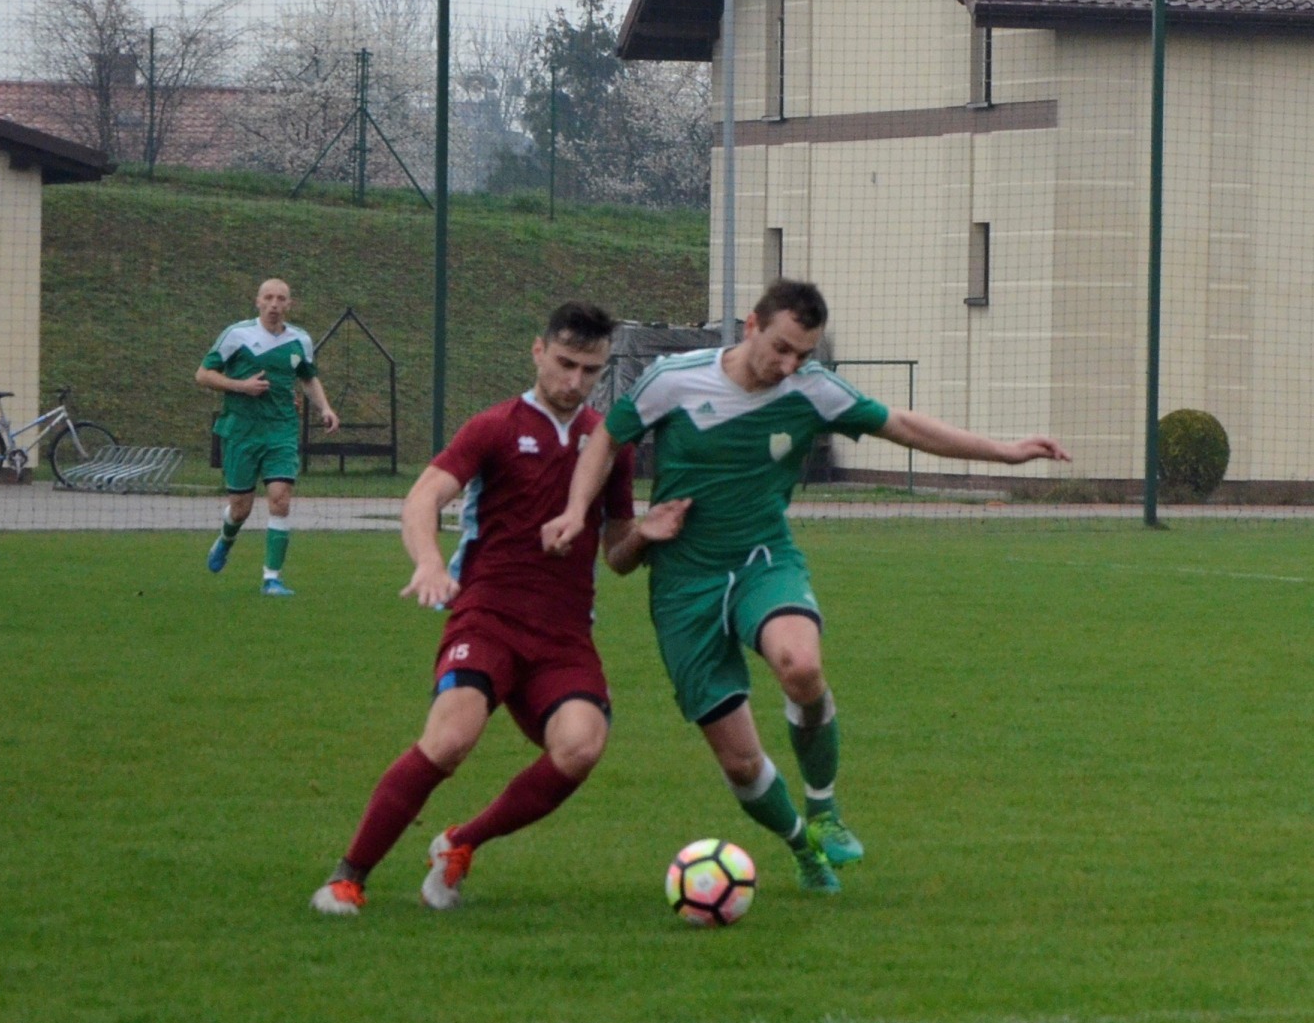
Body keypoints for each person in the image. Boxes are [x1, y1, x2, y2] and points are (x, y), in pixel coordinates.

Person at [543, 278, 1071, 894]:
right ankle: (802, 844)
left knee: (799, 665)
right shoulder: (673, 379)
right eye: (782, 348)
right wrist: (579, 511)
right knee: (740, 762)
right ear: (750, 327)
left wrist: (1006, 453)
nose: (790, 365)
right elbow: (608, 436)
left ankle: (824, 807)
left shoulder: (812, 390)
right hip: (683, 585)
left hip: (764, 559)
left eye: (804, 353)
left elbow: (900, 424)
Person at [311, 301, 690, 915]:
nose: (574, 381)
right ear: (538, 351)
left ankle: (460, 844)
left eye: (590, 370)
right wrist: (429, 564)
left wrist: (645, 534)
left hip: (564, 635)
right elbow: (423, 497)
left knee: (582, 746)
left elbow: (615, 555)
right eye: (565, 363)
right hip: (486, 616)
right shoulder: (493, 426)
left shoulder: (608, 445)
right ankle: (347, 876)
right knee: (452, 738)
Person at [196, 277, 340, 596]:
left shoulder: (299, 340)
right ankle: (226, 538)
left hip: (281, 430)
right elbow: (203, 374)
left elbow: (308, 378)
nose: (275, 304)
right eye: (269, 298)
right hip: (242, 431)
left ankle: (271, 578)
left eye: (281, 299)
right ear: (258, 302)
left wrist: (325, 408)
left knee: (280, 498)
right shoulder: (237, 335)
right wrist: (241, 386)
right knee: (240, 508)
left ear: (289, 304)